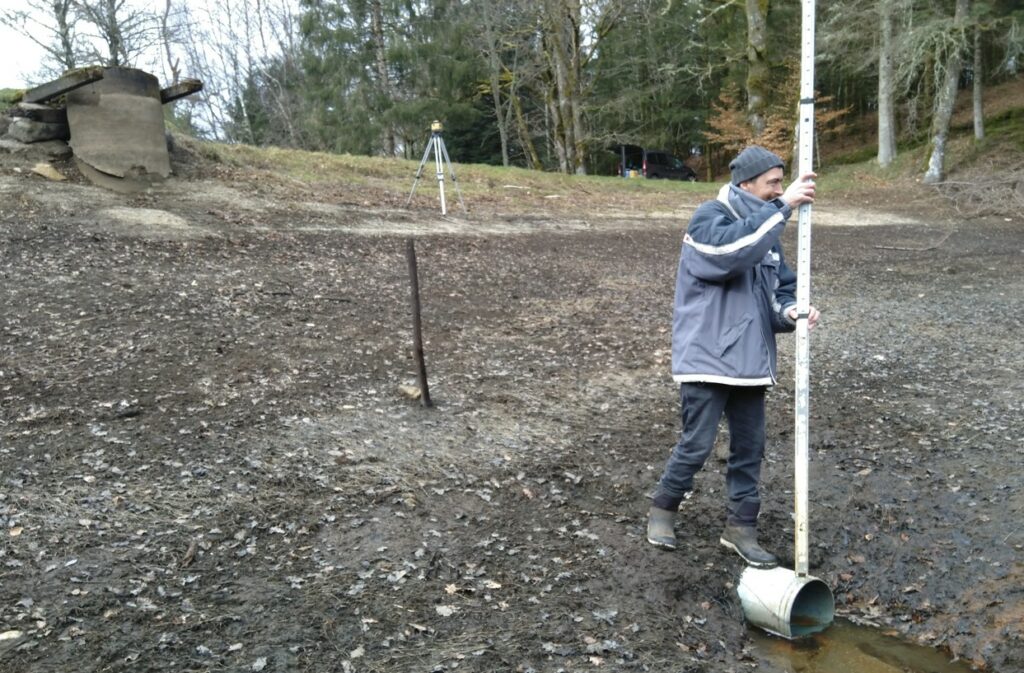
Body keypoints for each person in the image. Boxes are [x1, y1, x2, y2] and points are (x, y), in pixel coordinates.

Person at [647, 145, 820, 568]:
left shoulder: (769, 232)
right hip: (707, 357)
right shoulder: (710, 218)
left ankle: (741, 529)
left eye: (782, 182)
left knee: (750, 448)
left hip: (751, 362)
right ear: (746, 184)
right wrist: (783, 207)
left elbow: (779, 290)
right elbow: (728, 254)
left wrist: (791, 310)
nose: (779, 189)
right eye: (772, 183)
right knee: (697, 444)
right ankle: (663, 510)